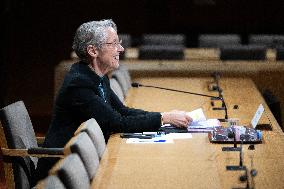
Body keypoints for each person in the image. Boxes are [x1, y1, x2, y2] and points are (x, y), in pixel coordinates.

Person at [35, 19, 192, 182]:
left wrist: (164, 116)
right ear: (93, 50)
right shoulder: (78, 84)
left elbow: (123, 111)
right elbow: (116, 122)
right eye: (114, 43)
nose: (121, 49)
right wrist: (164, 118)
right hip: (62, 172)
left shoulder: (97, 77)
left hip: (84, 162)